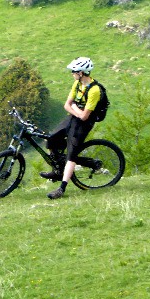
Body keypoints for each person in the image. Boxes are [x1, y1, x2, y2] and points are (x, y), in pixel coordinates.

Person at [42, 56, 102, 199]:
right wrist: (75, 109)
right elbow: (66, 105)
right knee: (51, 139)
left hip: (83, 124)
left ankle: (61, 189)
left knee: (71, 155)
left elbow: (84, 117)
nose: (72, 74)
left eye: (74, 71)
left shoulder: (94, 91)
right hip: (73, 118)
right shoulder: (77, 84)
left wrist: (74, 107)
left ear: (81, 73)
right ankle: (57, 170)